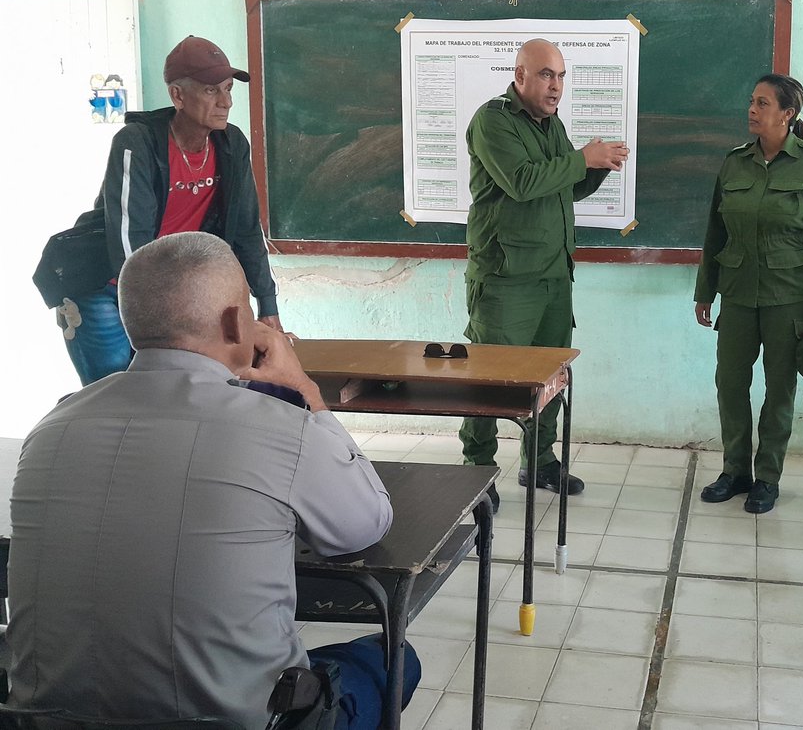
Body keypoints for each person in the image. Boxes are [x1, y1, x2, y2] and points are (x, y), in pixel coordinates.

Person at [7, 232, 419, 728]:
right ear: (235, 322)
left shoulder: (51, 427)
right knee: (393, 660)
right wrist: (304, 389)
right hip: (230, 723)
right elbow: (365, 525)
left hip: (42, 721)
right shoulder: (281, 428)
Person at [52, 35, 284, 386]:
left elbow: (247, 230)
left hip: (169, 287)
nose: (226, 102)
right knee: (115, 389)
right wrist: (157, 314)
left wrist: (267, 305)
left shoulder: (231, 144)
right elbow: (129, 241)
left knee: (172, 388)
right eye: (211, 91)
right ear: (178, 96)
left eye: (228, 89)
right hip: (106, 285)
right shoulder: (137, 143)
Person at [458, 38, 628, 511]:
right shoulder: (493, 120)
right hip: (506, 279)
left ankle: (540, 462)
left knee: (548, 375)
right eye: (547, 75)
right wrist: (582, 158)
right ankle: (476, 470)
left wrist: (600, 167)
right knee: (490, 378)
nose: (556, 86)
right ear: (520, 76)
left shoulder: (552, 124)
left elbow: (563, 188)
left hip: (553, 275)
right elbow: (523, 182)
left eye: (561, 76)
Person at [693, 73, 803, 514]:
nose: (752, 110)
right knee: (730, 384)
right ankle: (734, 471)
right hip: (737, 293)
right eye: (751, 101)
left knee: (779, 391)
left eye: (762, 103)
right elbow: (715, 232)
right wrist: (705, 291)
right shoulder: (734, 162)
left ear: (787, 114)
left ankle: (767, 478)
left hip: (789, 297)